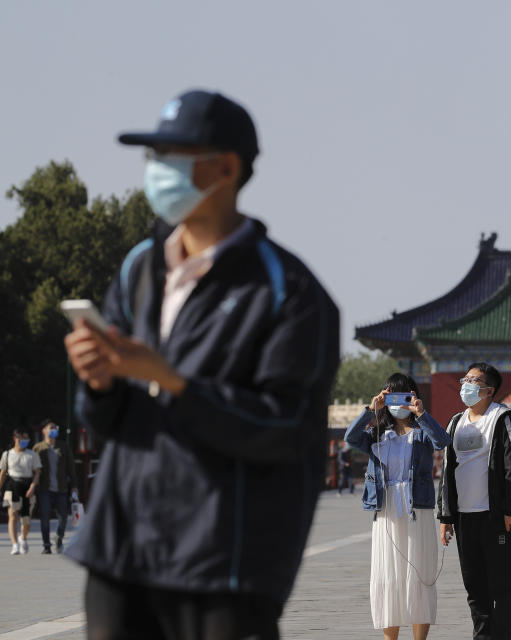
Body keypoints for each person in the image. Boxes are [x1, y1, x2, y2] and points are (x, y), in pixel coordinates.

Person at [63, 89, 340, 639]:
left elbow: (284, 427)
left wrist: (171, 380)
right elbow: (108, 421)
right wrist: (97, 382)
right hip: (123, 551)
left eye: (174, 155)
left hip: (225, 563)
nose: (158, 171)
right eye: (154, 156)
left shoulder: (289, 291)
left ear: (227, 167)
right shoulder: (140, 268)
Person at [345, 373, 451, 640]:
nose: (398, 402)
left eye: (404, 396)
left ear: (414, 397)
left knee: (420, 574)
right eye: (391, 395)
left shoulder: (422, 434)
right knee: (387, 575)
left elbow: (442, 441)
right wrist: (371, 410)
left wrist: (422, 414)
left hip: (418, 508)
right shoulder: (376, 434)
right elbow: (350, 437)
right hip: (386, 509)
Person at [437, 362, 511, 640]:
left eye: (473, 380)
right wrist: (446, 517)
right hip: (466, 518)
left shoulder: (504, 418)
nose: (465, 384)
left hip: (497, 517)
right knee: (475, 587)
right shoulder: (456, 422)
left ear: (489, 390)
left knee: (501, 588)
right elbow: (447, 471)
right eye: (465, 378)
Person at [33, 420, 78, 554]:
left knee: (63, 518)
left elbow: (71, 467)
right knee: (45, 517)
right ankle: (46, 545)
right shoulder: (38, 448)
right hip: (45, 489)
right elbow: (33, 469)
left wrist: (75, 486)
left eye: (55, 428)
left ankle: (59, 538)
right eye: (50, 428)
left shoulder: (63, 447)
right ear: (44, 431)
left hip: (61, 489)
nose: (53, 430)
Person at [0, 430, 42, 555]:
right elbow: (2, 473)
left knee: (26, 520)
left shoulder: (32, 455)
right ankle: (14, 544)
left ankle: (22, 538)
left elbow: (37, 473)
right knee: (12, 515)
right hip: (11, 486)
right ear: (15, 438)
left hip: (27, 486)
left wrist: (32, 487)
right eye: (21, 438)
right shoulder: (7, 454)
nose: (23, 441)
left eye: (26, 438)